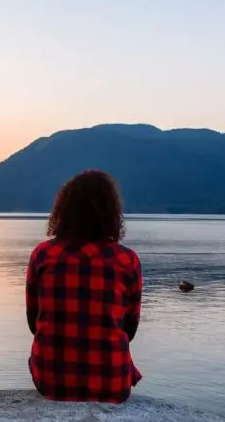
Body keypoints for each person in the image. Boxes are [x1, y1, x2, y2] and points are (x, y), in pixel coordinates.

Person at [26, 169, 143, 403]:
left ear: (64, 210)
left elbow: (33, 321)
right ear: (112, 214)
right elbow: (129, 329)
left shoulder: (43, 255)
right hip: (112, 383)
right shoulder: (127, 260)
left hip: (51, 382)